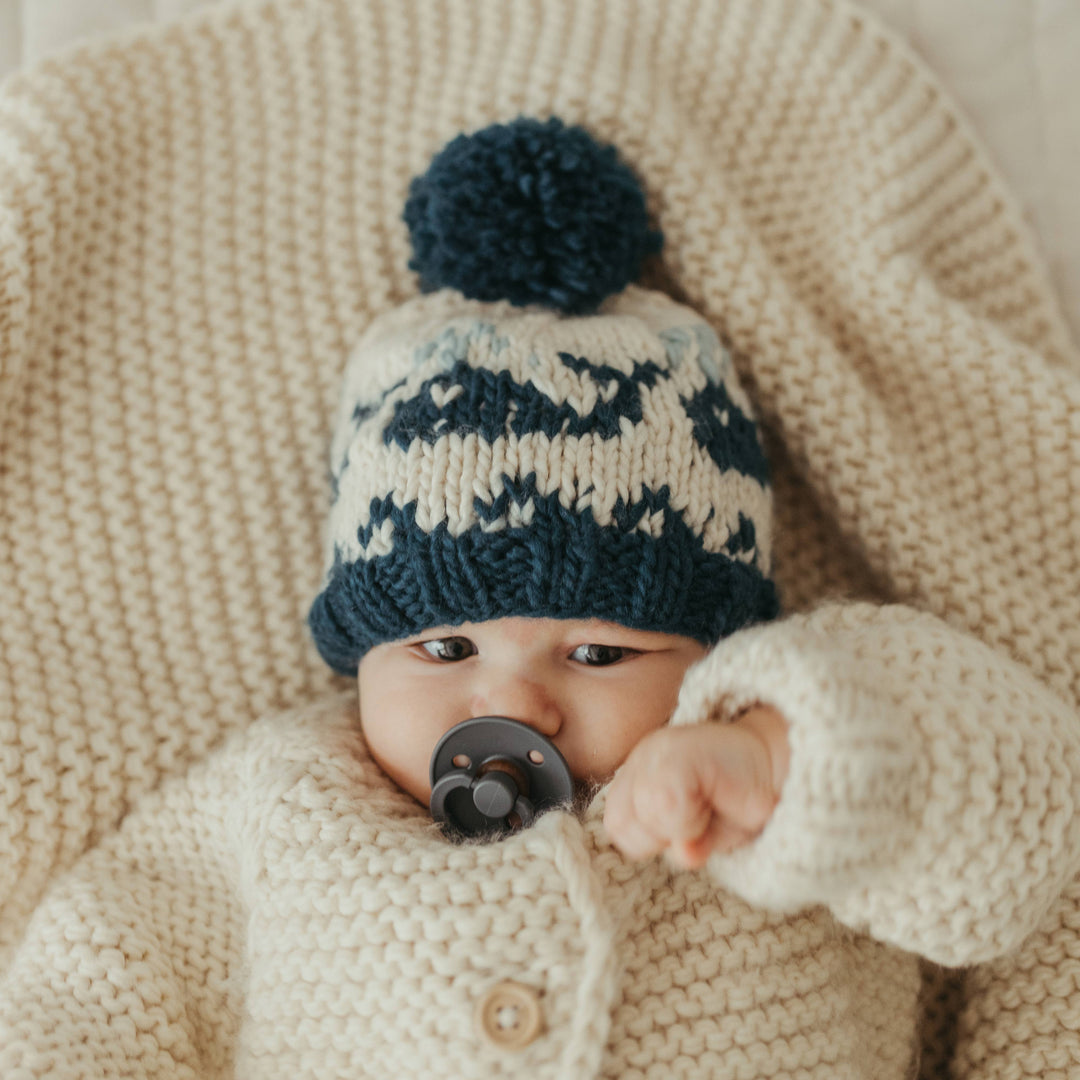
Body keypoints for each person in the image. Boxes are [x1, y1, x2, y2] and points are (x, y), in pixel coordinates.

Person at [2, 117, 1078, 1080]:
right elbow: (102, 979)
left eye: (600, 654)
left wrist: (787, 758)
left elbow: (1025, 812)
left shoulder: (768, 786)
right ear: (362, 655)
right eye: (444, 647)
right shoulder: (284, 805)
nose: (512, 705)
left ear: (716, 652)